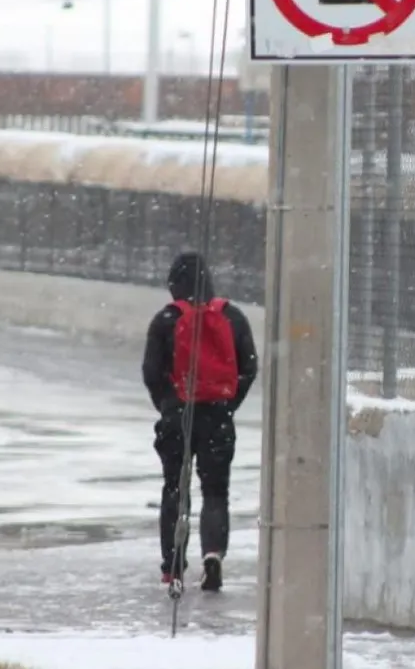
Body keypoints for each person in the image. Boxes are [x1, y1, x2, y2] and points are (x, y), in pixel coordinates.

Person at [142, 251, 258, 592]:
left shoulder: (165, 320)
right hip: (218, 416)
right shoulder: (233, 317)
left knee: (175, 488)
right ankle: (213, 556)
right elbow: (248, 367)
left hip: (178, 416)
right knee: (216, 491)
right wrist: (227, 403)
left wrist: (168, 404)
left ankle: (173, 564)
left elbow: (151, 372)